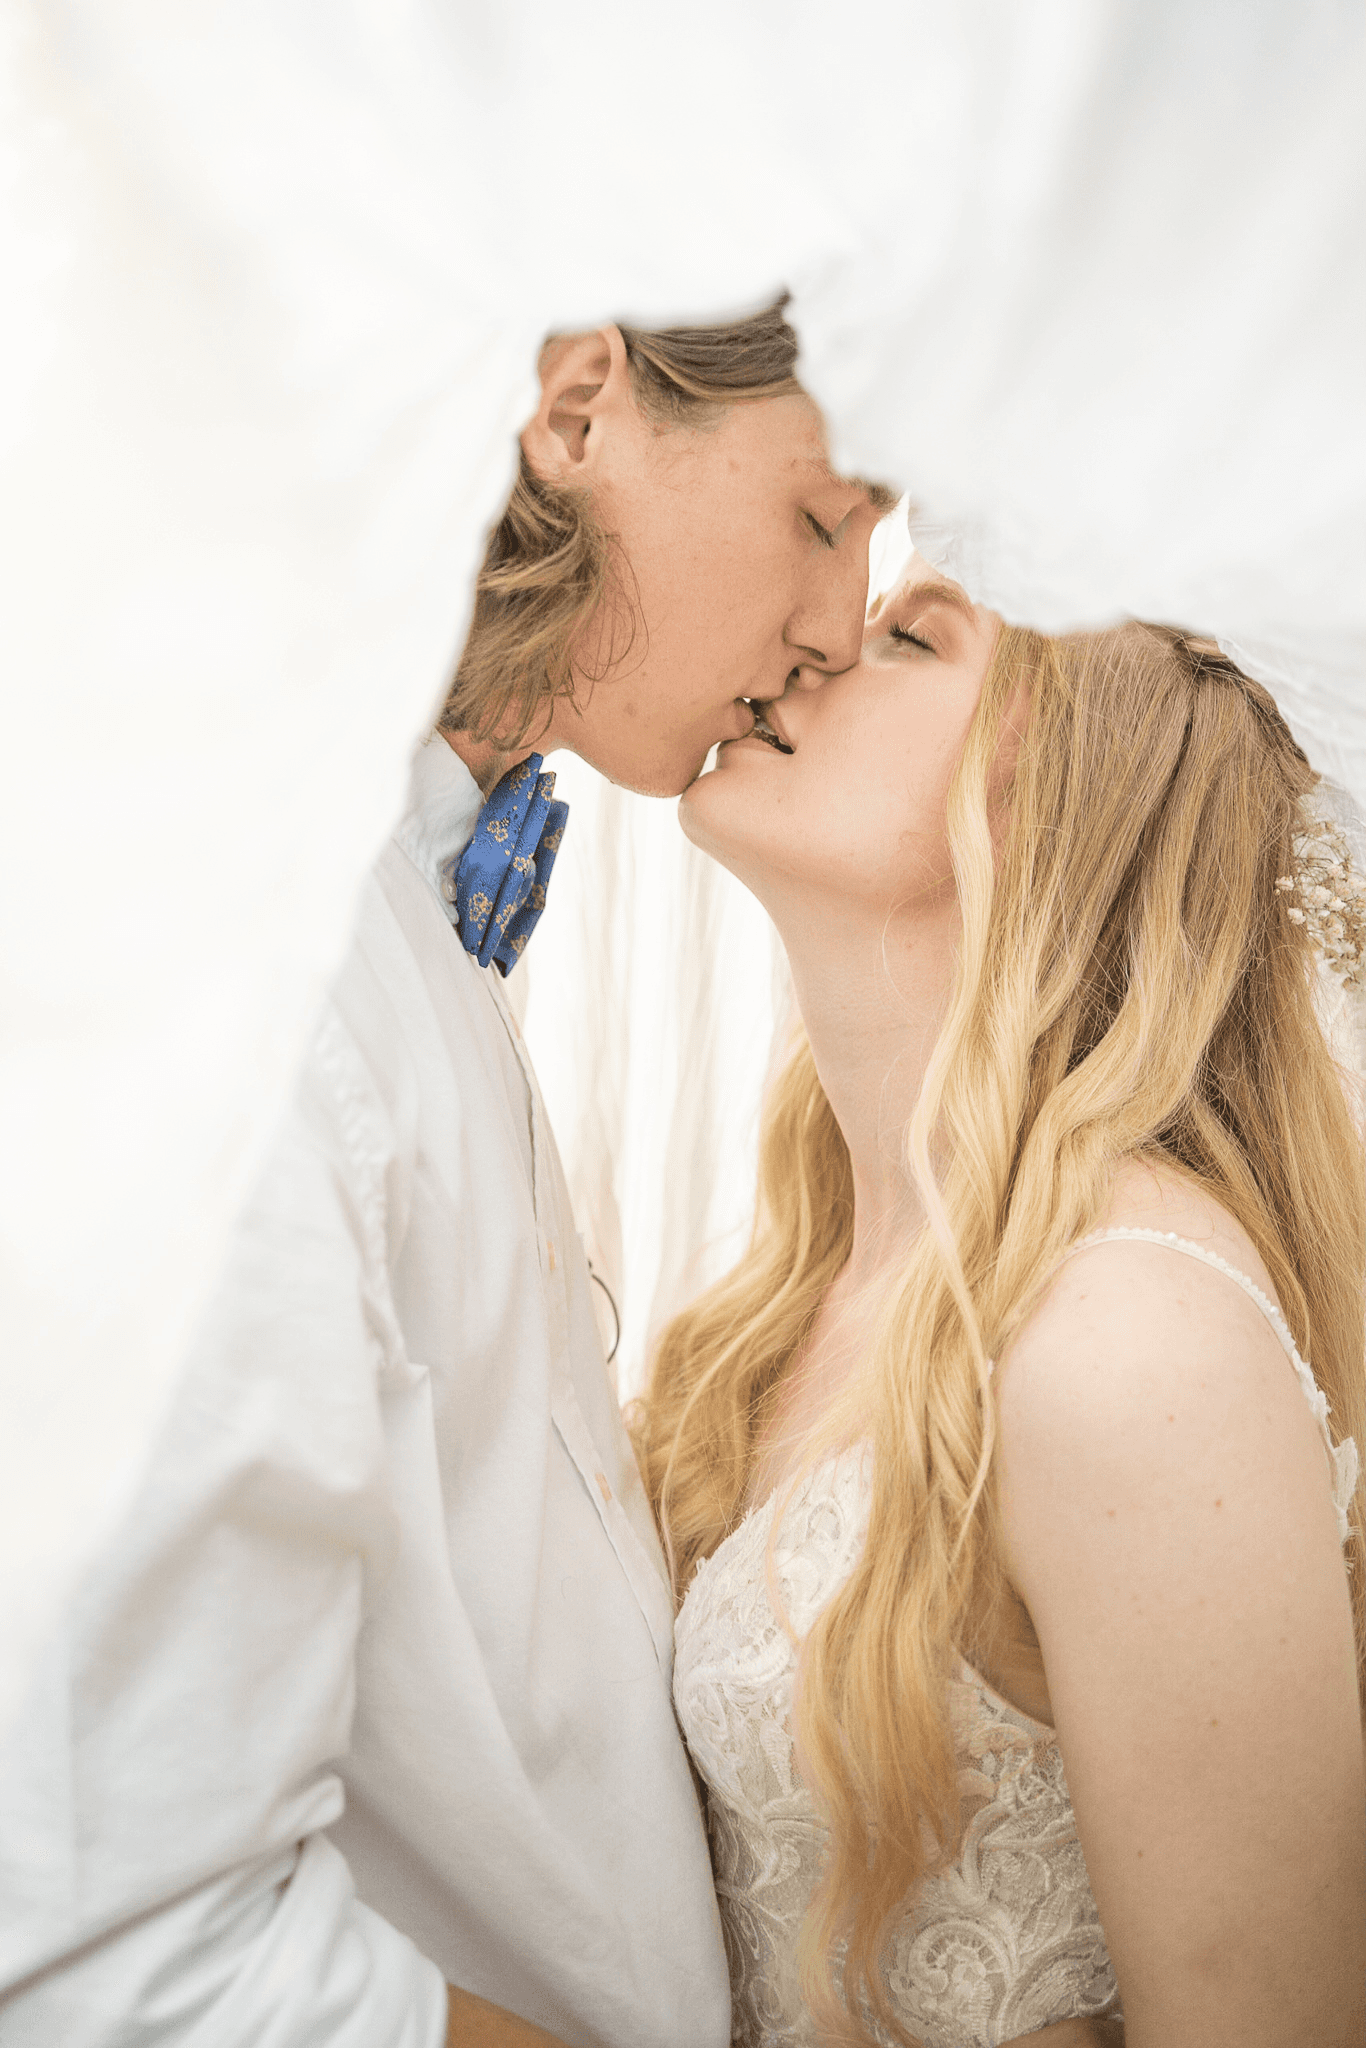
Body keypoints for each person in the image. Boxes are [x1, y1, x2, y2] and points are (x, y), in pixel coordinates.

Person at [0, 302, 888, 2048]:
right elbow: (129, 1965)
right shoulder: (249, 981)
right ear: (576, 413)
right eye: (819, 518)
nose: (833, 627)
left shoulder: (405, 908)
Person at [635, 555, 1366, 2046]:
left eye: (905, 638)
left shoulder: (1130, 1337)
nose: (812, 644)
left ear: (1057, 803)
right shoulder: (811, 1286)